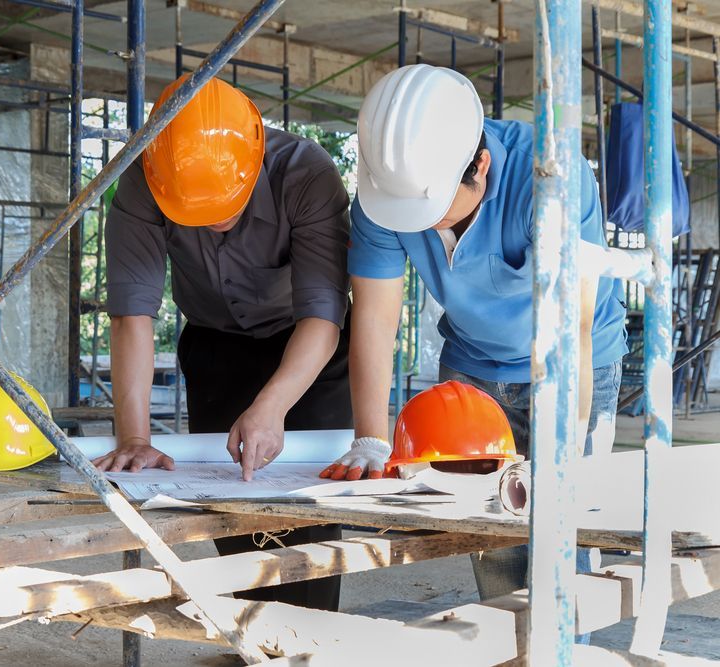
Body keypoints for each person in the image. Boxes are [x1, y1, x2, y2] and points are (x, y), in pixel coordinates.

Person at [324, 64, 627, 605]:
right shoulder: (385, 190)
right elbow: (374, 317)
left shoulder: (551, 175)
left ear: (480, 167)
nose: (417, 224)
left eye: (431, 210)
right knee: (493, 539)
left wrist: (563, 453)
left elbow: (570, 331)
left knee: (564, 539)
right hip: (473, 369)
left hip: (573, 362)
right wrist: (369, 437)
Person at [93, 75, 352, 611]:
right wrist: (135, 436)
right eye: (197, 219)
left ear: (255, 157)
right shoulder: (143, 180)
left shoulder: (307, 173)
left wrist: (273, 405)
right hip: (215, 346)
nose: (213, 226)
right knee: (225, 505)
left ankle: (313, 641)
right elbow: (132, 315)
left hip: (307, 349)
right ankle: (250, 636)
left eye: (226, 211)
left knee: (309, 511)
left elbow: (324, 316)